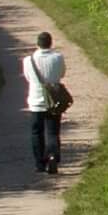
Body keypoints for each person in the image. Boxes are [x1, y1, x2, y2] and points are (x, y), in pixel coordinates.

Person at [23, 29, 69, 175]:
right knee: (53, 132)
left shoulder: (28, 60)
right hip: (53, 101)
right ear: (50, 43)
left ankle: (39, 164)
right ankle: (53, 157)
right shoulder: (58, 57)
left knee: (37, 132)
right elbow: (62, 74)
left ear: (37, 44)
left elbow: (29, 78)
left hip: (36, 101)